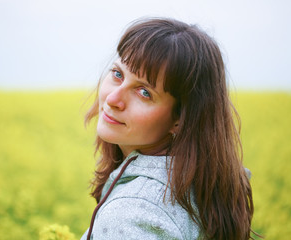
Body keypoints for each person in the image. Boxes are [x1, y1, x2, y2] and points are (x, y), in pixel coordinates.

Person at [81, 17, 258, 240]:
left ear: (180, 119)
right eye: (118, 74)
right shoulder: (205, 184)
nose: (113, 99)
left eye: (144, 92)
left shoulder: (132, 214)